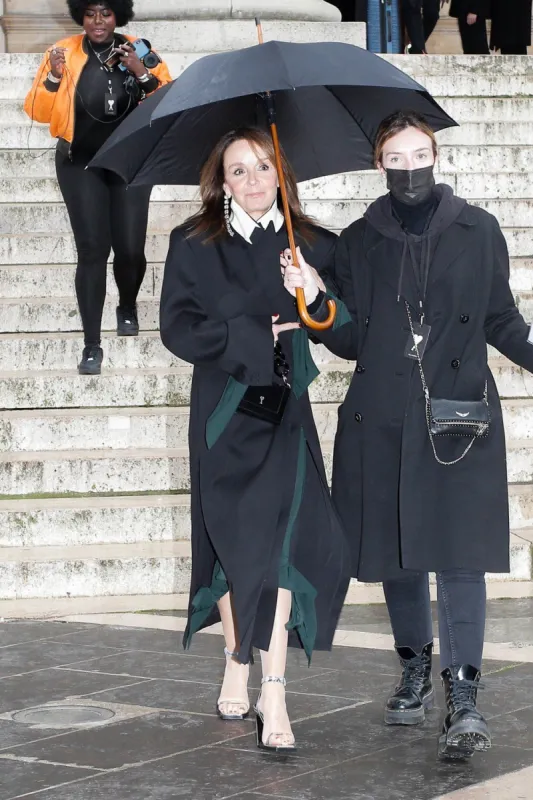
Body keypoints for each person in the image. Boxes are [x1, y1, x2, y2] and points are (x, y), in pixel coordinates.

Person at [282, 110, 533, 760]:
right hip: (384, 419)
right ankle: (415, 665)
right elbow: (347, 340)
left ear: (435, 157)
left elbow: (500, 318)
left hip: (458, 419)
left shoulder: (478, 230)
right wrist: (313, 298)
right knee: (399, 554)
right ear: (378, 164)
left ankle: (464, 694)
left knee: (458, 557)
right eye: (395, 159)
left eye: (418, 154)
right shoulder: (359, 241)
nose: (409, 169)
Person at [159, 127, 351, 753]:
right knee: (233, 546)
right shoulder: (191, 244)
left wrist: (315, 292)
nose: (252, 181)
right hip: (222, 417)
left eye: (263, 167)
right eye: (238, 171)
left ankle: (274, 686)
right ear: (221, 181)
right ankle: (235, 658)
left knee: (283, 545)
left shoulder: (313, 242)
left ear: (280, 172)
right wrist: (253, 333)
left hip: (286, 416)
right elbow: (177, 329)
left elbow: (347, 334)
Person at [24, 1, 172, 375]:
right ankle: (92, 345)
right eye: (91, 14)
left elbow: (169, 102)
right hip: (80, 162)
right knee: (92, 250)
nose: (98, 21)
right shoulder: (62, 53)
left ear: (118, 15)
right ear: (81, 17)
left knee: (129, 248)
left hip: (131, 161)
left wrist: (141, 74)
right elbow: (38, 112)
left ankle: (127, 303)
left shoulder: (141, 49)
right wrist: (54, 77)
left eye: (105, 13)